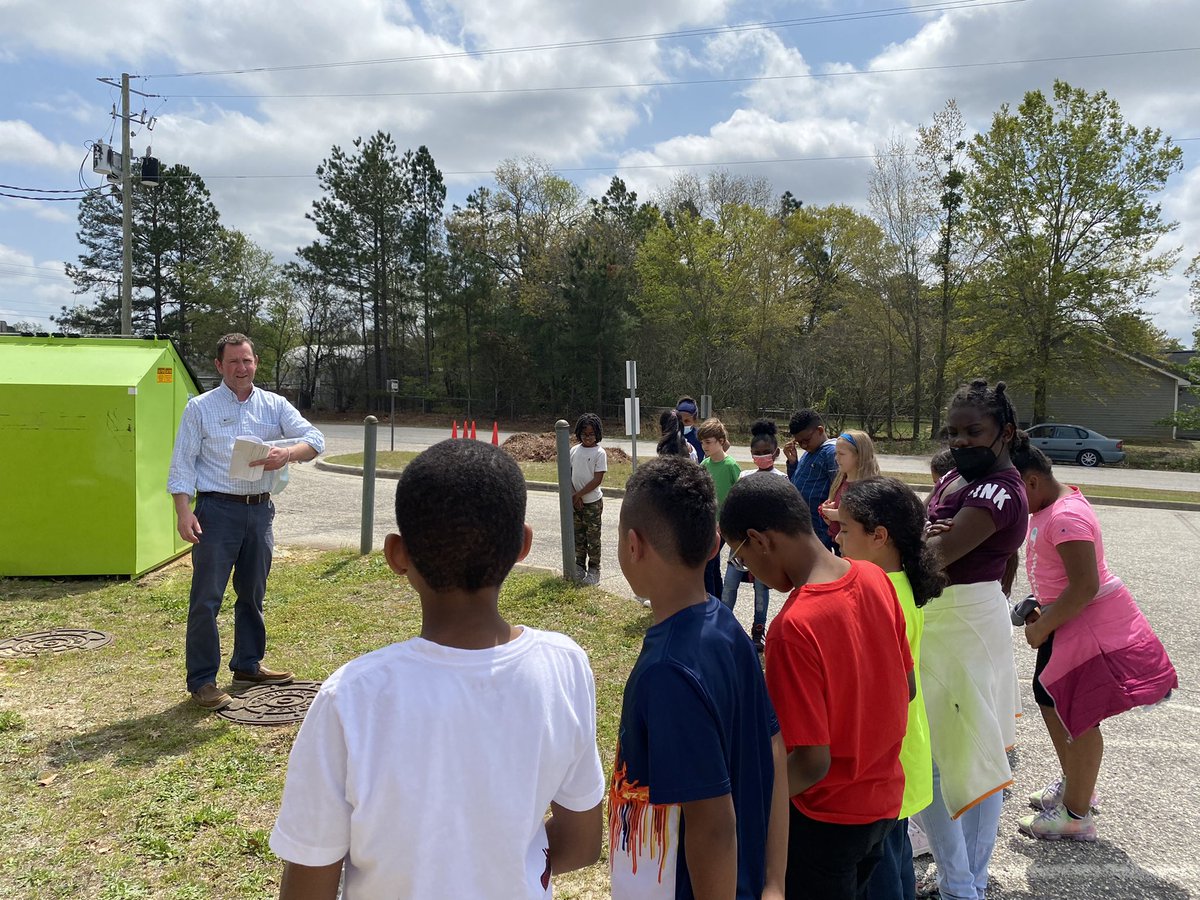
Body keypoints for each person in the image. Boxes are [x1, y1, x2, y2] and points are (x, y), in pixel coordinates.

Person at [270, 440, 606, 899]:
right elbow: (584, 843)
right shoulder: (565, 665)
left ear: (396, 554)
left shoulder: (350, 697)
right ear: (524, 544)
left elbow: (309, 885)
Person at [719, 473, 914, 899]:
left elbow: (811, 764)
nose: (748, 571)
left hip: (825, 823)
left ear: (760, 540)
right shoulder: (875, 578)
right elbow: (908, 685)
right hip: (884, 807)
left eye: (740, 558)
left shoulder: (793, 628)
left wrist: (744, 802)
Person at [610, 455, 787, 900]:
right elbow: (775, 751)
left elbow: (713, 825)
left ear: (633, 545)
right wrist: (774, 882)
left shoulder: (669, 672)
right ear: (714, 545)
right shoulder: (726, 627)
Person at [1010, 437, 1177, 842]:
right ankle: (1076, 786)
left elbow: (1085, 586)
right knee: (1050, 700)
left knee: (1078, 716)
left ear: (1030, 482)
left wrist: (1041, 627)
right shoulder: (1047, 507)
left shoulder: (1066, 517)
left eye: (1012, 492)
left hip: (1082, 626)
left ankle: (1076, 814)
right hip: (1061, 619)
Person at [168, 333, 325, 711]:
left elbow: (315, 438)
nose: (242, 368)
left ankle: (247, 665)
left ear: (256, 363)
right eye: (234, 362)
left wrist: (286, 454)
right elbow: (182, 463)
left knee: (253, 593)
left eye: (248, 361)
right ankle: (203, 680)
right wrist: (183, 511)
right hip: (216, 511)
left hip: (259, 510)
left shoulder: (273, 404)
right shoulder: (200, 408)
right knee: (207, 598)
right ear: (219, 366)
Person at [918, 379, 1025, 900]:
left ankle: (967, 882)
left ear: (1005, 432)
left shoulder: (999, 489)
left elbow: (936, 554)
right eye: (953, 432)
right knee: (932, 758)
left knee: (969, 757)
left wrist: (926, 539)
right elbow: (931, 541)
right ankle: (957, 873)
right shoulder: (959, 479)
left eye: (973, 432)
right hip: (941, 623)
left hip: (965, 626)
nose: (960, 442)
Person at [836, 477, 945, 900]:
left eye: (846, 530)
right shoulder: (899, 582)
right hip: (906, 749)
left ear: (879, 537)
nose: (838, 538)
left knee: (879, 875)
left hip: (889, 757)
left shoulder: (880, 595)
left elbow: (894, 688)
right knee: (895, 863)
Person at [721, 419, 786, 652]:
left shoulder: (782, 480)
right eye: (756, 453)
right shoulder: (744, 476)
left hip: (764, 550)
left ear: (776, 453)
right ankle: (722, 628)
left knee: (761, 590)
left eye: (766, 452)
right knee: (729, 587)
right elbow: (734, 508)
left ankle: (758, 631)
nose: (761, 456)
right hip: (740, 547)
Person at [784, 409, 840, 551]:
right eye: (798, 442)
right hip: (806, 523)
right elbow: (797, 482)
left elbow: (837, 486)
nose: (803, 446)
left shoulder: (831, 452)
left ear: (820, 430)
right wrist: (792, 463)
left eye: (805, 440)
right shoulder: (809, 452)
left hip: (823, 526)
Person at [699, 417, 741, 599]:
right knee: (712, 564)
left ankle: (710, 605)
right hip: (708, 524)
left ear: (721, 441)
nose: (704, 446)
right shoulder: (704, 465)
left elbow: (739, 496)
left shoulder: (731, 466)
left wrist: (724, 521)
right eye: (702, 442)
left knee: (707, 565)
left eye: (708, 442)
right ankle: (718, 603)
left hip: (724, 526)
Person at [818, 429, 880, 547]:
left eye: (841, 454)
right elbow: (831, 516)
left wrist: (840, 515)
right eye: (836, 453)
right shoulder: (840, 481)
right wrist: (825, 511)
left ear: (859, 455)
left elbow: (870, 519)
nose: (836, 458)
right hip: (837, 542)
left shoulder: (870, 487)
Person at [570, 413, 607, 587]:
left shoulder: (600, 453)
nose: (588, 438)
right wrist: (574, 495)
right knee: (579, 536)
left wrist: (579, 495)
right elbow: (569, 475)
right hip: (575, 502)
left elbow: (597, 479)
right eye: (584, 434)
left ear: (597, 434)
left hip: (592, 503)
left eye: (592, 434)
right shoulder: (574, 450)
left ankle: (594, 569)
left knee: (592, 537)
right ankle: (579, 565)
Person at [677, 396, 705, 462]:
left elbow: (725, 444)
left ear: (695, 420)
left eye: (686, 421)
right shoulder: (672, 435)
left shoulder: (700, 435)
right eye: (679, 420)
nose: (683, 424)